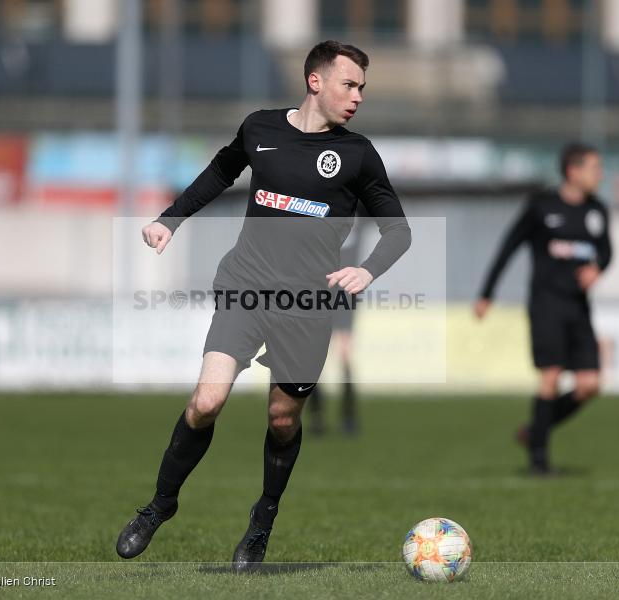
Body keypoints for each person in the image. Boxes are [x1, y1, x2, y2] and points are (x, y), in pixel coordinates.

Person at [116, 41, 411, 571]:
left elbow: (398, 230)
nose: (358, 96)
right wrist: (169, 219)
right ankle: (159, 505)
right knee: (206, 402)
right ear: (315, 81)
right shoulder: (260, 129)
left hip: (308, 303)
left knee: (281, 420)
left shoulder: (358, 153)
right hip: (245, 285)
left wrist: (369, 269)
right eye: (350, 84)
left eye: (363, 87)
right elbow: (219, 172)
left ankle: (262, 520)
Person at [474, 142, 612, 475]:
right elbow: (509, 246)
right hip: (546, 305)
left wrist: (598, 267)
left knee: (589, 385)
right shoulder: (541, 206)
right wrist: (487, 293)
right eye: (594, 168)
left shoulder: (597, 210)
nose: (600, 175)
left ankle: (534, 430)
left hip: (579, 309)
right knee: (550, 376)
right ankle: (539, 461)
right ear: (573, 170)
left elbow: (607, 251)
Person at [308, 211, 364, 436]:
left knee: (344, 353)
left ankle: (349, 416)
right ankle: (316, 416)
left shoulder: (355, 218)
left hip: (345, 295)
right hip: (320, 294)